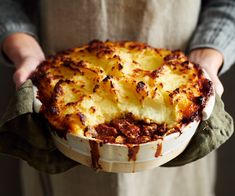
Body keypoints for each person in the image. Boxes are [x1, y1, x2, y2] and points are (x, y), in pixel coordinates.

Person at [0, 0, 235, 196]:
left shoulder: (189, 93)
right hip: (64, 83)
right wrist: (24, 48)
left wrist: (207, 56)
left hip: (176, 83)